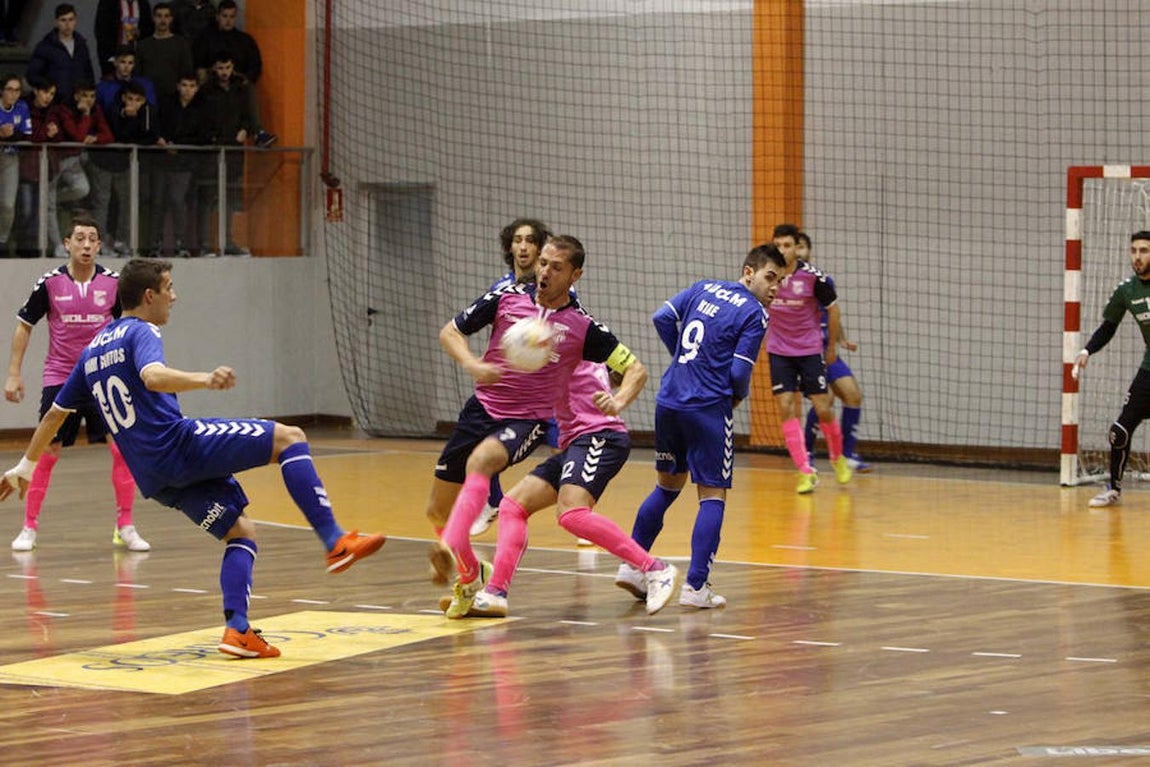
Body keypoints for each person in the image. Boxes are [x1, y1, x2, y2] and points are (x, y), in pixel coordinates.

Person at [0, 256, 386, 659]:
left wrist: (25, 465)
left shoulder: (92, 352)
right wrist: (205, 378)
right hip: (178, 446)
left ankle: (237, 631)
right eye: (169, 288)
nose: (175, 297)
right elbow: (152, 376)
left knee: (240, 532)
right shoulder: (140, 331)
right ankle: (334, 540)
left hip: (155, 478)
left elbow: (54, 416)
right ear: (149, 296)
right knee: (289, 438)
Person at [427, 234, 646, 618]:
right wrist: (473, 364)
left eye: (555, 266)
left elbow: (632, 367)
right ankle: (472, 574)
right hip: (480, 408)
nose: (544, 270)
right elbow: (450, 331)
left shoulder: (578, 323)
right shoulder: (505, 297)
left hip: (527, 417)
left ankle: (455, 549)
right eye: (543, 263)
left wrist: (618, 399)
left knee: (482, 462)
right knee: (435, 511)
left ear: (574, 275)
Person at [617, 243, 785, 609]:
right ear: (748, 273)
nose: (775, 288)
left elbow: (662, 316)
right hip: (707, 408)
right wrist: (733, 396)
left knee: (666, 487)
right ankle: (696, 588)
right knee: (712, 495)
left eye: (781, 282)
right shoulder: (755, 312)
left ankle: (632, 565)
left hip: (669, 401)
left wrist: (683, 358)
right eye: (770, 277)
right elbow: (740, 372)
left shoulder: (702, 287)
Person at [456, 359, 684, 619]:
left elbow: (636, 370)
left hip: (601, 436)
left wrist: (617, 400)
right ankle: (495, 594)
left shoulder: (568, 331)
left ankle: (656, 570)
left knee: (572, 513)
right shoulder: (565, 338)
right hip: (576, 440)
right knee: (513, 506)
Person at [4, 216, 145, 552]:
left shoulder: (113, 284)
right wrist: (13, 372)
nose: (86, 245)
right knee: (46, 450)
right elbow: (24, 325)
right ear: (66, 244)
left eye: (92, 239)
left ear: (99, 246)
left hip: (103, 376)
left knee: (121, 447)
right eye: (79, 238)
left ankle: (125, 525)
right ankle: (29, 527)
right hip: (61, 376)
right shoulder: (50, 284)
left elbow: (131, 327)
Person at [469, 217, 553, 537]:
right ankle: (493, 502)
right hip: (504, 389)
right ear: (509, 247)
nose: (523, 246)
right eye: (517, 240)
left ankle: (577, 515)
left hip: (542, 392)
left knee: (563, 454)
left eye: (530, 240)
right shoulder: (500, 289)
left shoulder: (551, 292)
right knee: (482, 447)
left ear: (540, 248)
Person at [768, 222, 852, 494]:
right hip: (779, 351)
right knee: (785, 407)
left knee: (823, 407)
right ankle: (805, 471)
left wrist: (831, 349)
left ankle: (837, 457)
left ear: (796, 247)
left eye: (787, 245)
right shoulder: (768, 275)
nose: (782, 250)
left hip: (809, 350)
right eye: (778, 245)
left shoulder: (814, 277)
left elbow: (834, 309)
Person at [1073, 231, 1150, 507]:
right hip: (1148, 371)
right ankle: (1114, 489)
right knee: (1119, 431)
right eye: (1134, 251)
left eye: (1144, 251)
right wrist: (1087, 350)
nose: (1138, 257)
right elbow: (1108, 327)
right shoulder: (1127, 290)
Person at [796, 231, 870, 472]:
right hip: (807, 354)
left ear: (809, 250)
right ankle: (807, 454)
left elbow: (832, 313)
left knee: (853, 394)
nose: (798, 251)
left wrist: (842, 339)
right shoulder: (787, 284)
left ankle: (847, 454)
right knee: (824, 401)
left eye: (802, 246)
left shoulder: (822, 280)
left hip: (829, 353)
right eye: (793, 246)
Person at [87, 81, 157, 255]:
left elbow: (148, 136)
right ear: (124, 97)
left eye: (138, 100)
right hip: (103, 161)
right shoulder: (113, 108)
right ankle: (98, 242)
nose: (133, 103)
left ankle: (122, 241)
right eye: (130, 99)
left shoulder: (147, 111)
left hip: (126, 163)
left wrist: (134, 121)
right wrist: (128, 118)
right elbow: (117, 134)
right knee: (102, 202)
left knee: (128, 202)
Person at [192, 0, 274, 148]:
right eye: (225, 16)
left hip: (237, 87)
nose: (228, 20)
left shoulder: (245, 40)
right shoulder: (205, 39)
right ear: (217, 16)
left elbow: (256, 66)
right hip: (211, 85)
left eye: (232, 16)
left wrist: (244, 79)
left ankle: (258, 132)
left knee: (248, 86)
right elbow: (197, 64)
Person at [197, 52, 253, 255]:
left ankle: (228, 242)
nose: (224, 73)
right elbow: (200, 119)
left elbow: (248, 115)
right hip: (212, 152)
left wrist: (245, 129)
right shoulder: (205, 91)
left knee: (229, 197)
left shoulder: (240, 89)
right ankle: (203, 244)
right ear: (214, 69)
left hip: (234, 151)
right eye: (220, 68)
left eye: (227, 68)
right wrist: (211, 138)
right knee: (208, 197)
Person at [150, 71, 207, 256]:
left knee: (177, 200)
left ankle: (181, 242)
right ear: (178, 86)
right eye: (184, 85)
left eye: (192, 86)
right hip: (162, 160)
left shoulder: (201, 108)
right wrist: (162, 140)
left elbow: (202, 136)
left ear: (197, 88)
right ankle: (155, 243)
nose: (187, 90)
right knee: (157, 201)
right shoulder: (167, 104)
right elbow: (156, 125)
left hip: (185, 163)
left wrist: (179, 146)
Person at [26, 5, 98, 105]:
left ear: (75, 20)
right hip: (55, 103)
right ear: (56, 22)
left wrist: (88, 95)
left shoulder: (82, 45)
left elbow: (89, 74)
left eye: (71, 19)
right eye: (63, 20)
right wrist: (49, 88)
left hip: (79, 103)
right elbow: (32, 74)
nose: (68, 24)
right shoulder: (45, 46)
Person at [135, 3, 194, 102]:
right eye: (159, 16)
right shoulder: (142, 45)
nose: (163, 20)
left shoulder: (181, 44)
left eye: (166, 16)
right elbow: (137, 74)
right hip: (149, 98)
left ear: (171, 19)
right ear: (153, 18)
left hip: (174, 99)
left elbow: (187, 72)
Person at [0, 73, 29, 256]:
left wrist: (9, 135)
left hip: (11, 159)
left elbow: (26, 134)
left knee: (8, 204)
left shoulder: (22, 107)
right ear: (2, 91)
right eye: (10, 90)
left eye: (17, 90)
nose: (13, 94)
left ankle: (2, 241)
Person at [95, 0, 153, 78]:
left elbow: (149, 30)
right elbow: (101, 32)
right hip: (113, 58)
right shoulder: (107, 3)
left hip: (137, 60)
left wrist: (139, 32)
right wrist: (110, 60)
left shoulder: (143, 4)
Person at [96, 45, 158, 113]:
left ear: (134, 65)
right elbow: (98, 114)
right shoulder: (103, 87)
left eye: (130, 63)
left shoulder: (145, 85)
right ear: (115, 62)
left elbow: (151, 110)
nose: (126, 66)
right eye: (123, 62)